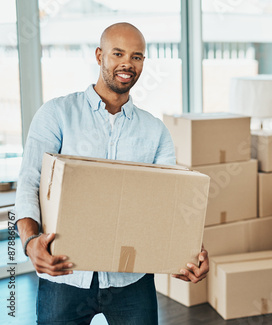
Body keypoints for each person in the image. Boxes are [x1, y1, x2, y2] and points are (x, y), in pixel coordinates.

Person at [14, 22, 209, 324]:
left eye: (137, 56)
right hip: (65, 275)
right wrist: (29, 243)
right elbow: (30, 182)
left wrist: (189, 250)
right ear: (99, 56)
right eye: (118, 53)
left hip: (130, 280)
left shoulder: (154, 130)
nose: (127, 64)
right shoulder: (57, 114)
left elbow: (171, 201)